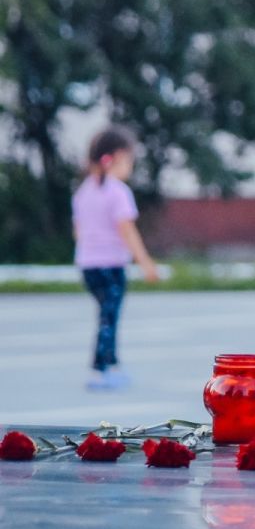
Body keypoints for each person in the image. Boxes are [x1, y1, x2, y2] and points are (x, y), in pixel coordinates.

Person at [72, 125, 161, 391]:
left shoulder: (83, 191)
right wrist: (145, 262)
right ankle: (101, 369)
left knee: (106, 314)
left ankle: (111, 363)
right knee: (109, 318)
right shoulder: (118, 192)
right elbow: (127, 231)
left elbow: (78, 231)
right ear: (118, 156)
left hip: (88, 266)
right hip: (111, 265)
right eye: (130, 160)